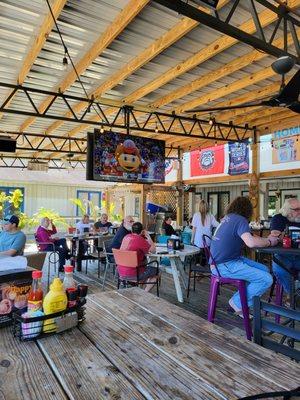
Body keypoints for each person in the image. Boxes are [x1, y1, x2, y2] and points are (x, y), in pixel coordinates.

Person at [210, 196, 278, 317]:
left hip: (222, 262)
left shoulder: (228, 218)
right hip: (224, 265)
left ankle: (241, 303)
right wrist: (269, 242)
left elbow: (252, 238)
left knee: (264, 269)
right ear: (247, 210)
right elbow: (251, 242)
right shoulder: (241, 220)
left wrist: (267, 239)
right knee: (266, 279)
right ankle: (236, 303)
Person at [270, 198, 300, 294]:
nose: (299, 211)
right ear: (288, 211)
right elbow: (275, 235)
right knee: (279, 270)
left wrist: (284, 235)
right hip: (283, 255)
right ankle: (293, 296)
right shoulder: (278, 218)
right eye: (296, 209)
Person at [120, 222, 157, 292]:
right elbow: (153, 250)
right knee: (157, 271)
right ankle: (144, 292)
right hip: (134, 273)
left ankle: (140, 289)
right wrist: (148, 236)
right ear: (142, 231)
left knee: (144, 268)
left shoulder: (126, 237)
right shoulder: (140, 240)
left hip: (121, 271)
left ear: (131, 230)